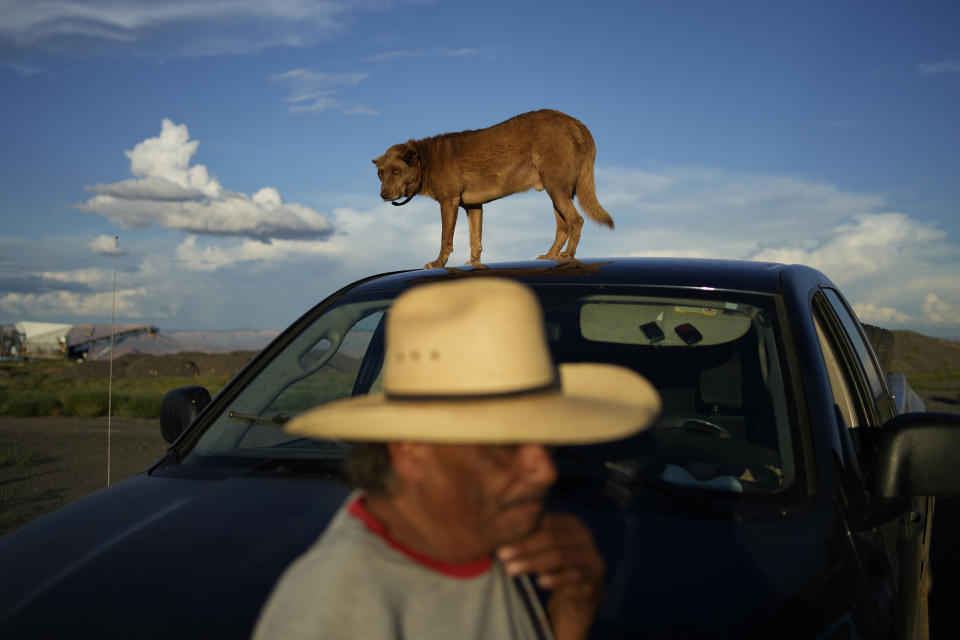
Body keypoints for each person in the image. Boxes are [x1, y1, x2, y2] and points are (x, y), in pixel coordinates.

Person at [253, 277, 660, 640]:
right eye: (506, 445)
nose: (544, 470)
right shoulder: (338, 611)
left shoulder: (472, 533)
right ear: (411, 450)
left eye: (545, 441)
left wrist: (575, 605)